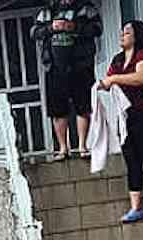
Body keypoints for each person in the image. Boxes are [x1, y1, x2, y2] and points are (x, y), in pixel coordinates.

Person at [100, 20, 143, 223]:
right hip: (127, 116)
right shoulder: (118, 59)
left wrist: (114, 79)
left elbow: (141, 78)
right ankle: (136, 207)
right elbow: (109, 81)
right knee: (132, 159)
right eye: (122, 32)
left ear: (137, 36)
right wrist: (102, 84)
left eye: (127, 32)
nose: (122, 35)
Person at [31, 0, 103, 161]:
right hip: (54, 66)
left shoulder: (86, 8)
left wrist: (75, 27)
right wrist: (51, 28)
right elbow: (34, 33)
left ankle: (83, 146)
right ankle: (63, 148)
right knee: (57, 110)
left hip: (81, 65)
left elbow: (98, 29)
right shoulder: (47, 11)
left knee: (83, 106)